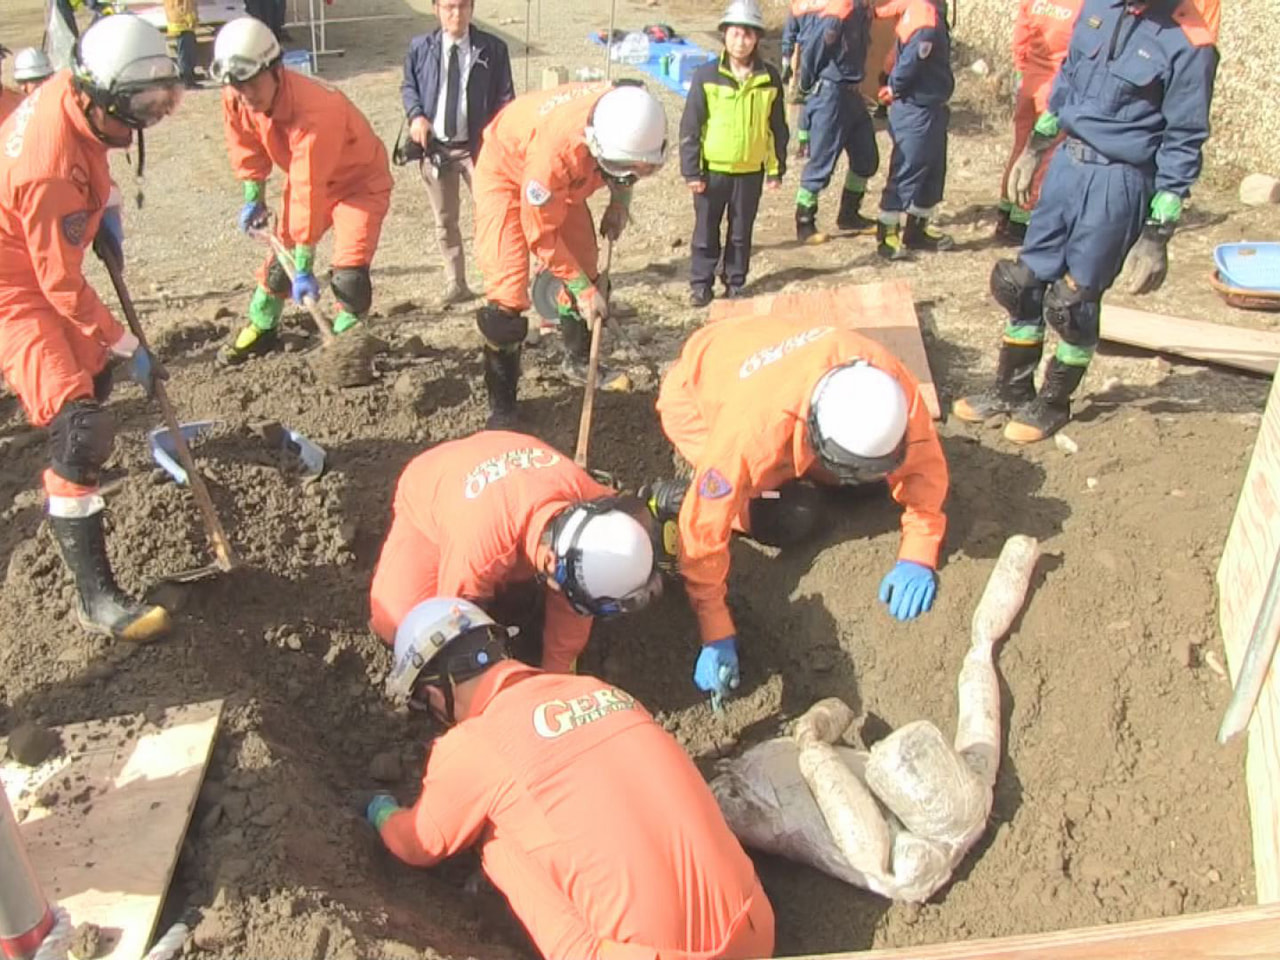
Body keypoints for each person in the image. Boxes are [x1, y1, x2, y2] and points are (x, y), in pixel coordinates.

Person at [366, 597, 776, 960]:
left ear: (437, 692)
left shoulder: (473, 743)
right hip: (755, 930)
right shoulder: (600, 690)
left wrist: (381, 810)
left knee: (494, 838)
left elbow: (418, 845)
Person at [953, 0, 1218, 444]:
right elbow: (1067, 85)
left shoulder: (1190, 43)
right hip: (1066, 164)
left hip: (1119, 180)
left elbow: (1184, 141)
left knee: (1073, 301)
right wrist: (1035, 150)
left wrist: (1157, 233)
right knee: (1023, 283)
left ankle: (1054, 402)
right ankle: (1011, 389)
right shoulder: (1098, 7)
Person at [652, 314, 948, 702]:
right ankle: (678, 495)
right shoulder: (747, 436)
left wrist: (919, 552)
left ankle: (837, 475)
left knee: (871, 485)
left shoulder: (887, 388)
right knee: (789, 514)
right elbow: (703, 534)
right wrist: (716, 629)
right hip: (698, 397)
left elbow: (923, 463)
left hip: (766, 356)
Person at [0, 14, 182, 641]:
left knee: (92, 379)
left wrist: (101, 209)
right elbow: (58, 287)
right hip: (12, 287)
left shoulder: (74, 92)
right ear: (96, 94)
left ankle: (71, 485)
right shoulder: (48, 167)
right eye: (136, 111)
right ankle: (95, 597)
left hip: (39, 257)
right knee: (83, 426)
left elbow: (92, 154)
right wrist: (128, 342)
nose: (145, 122)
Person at [368, 431, 662, 674]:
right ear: (551, 559)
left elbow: (574, 612)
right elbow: (452, 631)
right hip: (430, 487)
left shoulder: (595, 506)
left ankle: (520, 584)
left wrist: (556, 677)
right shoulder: (477, 555)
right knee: (398, 624)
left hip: (503, 461)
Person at [471, 81, 668, 428]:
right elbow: (542, 237)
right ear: (598, 148)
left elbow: (630, 168)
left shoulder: (627, 111)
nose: (627, 177)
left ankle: (578, 361)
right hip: (507, 170)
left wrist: (619, 203)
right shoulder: (553, 158)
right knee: (507, 300)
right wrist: (585, 292)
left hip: (565, 179)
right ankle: (502, 410)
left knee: (586, 267)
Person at [209, 17, 393, 365]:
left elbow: (310, 186)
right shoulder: (237, 96)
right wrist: (254, 197)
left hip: (359, 183)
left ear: (275, 69)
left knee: (349, 273)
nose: (245, 95)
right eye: (236, 86)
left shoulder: (315, 111)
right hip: (308, 179)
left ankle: (346, 346)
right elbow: (245, 145)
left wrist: (306, 267)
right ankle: (262, 326)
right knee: (280, 262)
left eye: (251, 84)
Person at [401, 0, 514, 306]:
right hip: (436, 149)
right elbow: (409, 86)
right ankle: (456, 282)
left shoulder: (493, 49)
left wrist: (495, 140)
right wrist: (415, 115)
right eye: (449, 6)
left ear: (472, 7)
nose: (457, 14)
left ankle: (499, 283)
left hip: (478, 150)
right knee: (445, 219)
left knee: (493, 214)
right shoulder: (420, 48)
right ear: (435, 8)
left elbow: (506, 98)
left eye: (463, 6)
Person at [679, 0, 787, 307]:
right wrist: (692, 171)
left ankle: (735, 281)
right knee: (705, 231)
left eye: (748, 36)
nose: (741, 42)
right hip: (712, 172)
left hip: (750, 172)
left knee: (741, 233)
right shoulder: (706, 76)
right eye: (735, 34)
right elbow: (691, 127)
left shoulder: (770, 78)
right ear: (725, 35)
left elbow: (777, 128)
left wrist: (776, 169)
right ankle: (701, 284)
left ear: (756, 39)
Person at [791, 0, 880, 244]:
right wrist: (807, 88)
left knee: (866, 158)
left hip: (853, 93)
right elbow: (813, 52)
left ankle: (849, 214)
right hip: (831, 95)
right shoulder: (839, 11)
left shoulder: (863, 10)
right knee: (821, 162)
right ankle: (805, 221)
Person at [995, 0, 1082, 244]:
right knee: (1043, 154)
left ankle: (1005, 210)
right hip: (1056, 86)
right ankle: (1021, 220)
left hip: (1030, 81)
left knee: (1021, 148)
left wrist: (1023, 71)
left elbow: (1020, 39)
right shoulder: (1082, 6)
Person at [875, 0, 955, 259]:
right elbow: (909, 61)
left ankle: (917, 230)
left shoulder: (927, 11)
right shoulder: (925, 20)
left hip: (932, 105)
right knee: (907, 168)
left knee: (933, 169)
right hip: (915, 107)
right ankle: (887, 234)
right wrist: (893, 87)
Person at [164, 0, 201, 89]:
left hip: (183, 21)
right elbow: (184, 5)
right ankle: (186, 79)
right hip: (183, 21)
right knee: (185, 52)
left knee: (188, 50)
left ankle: (190, 74)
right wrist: (189, 18)